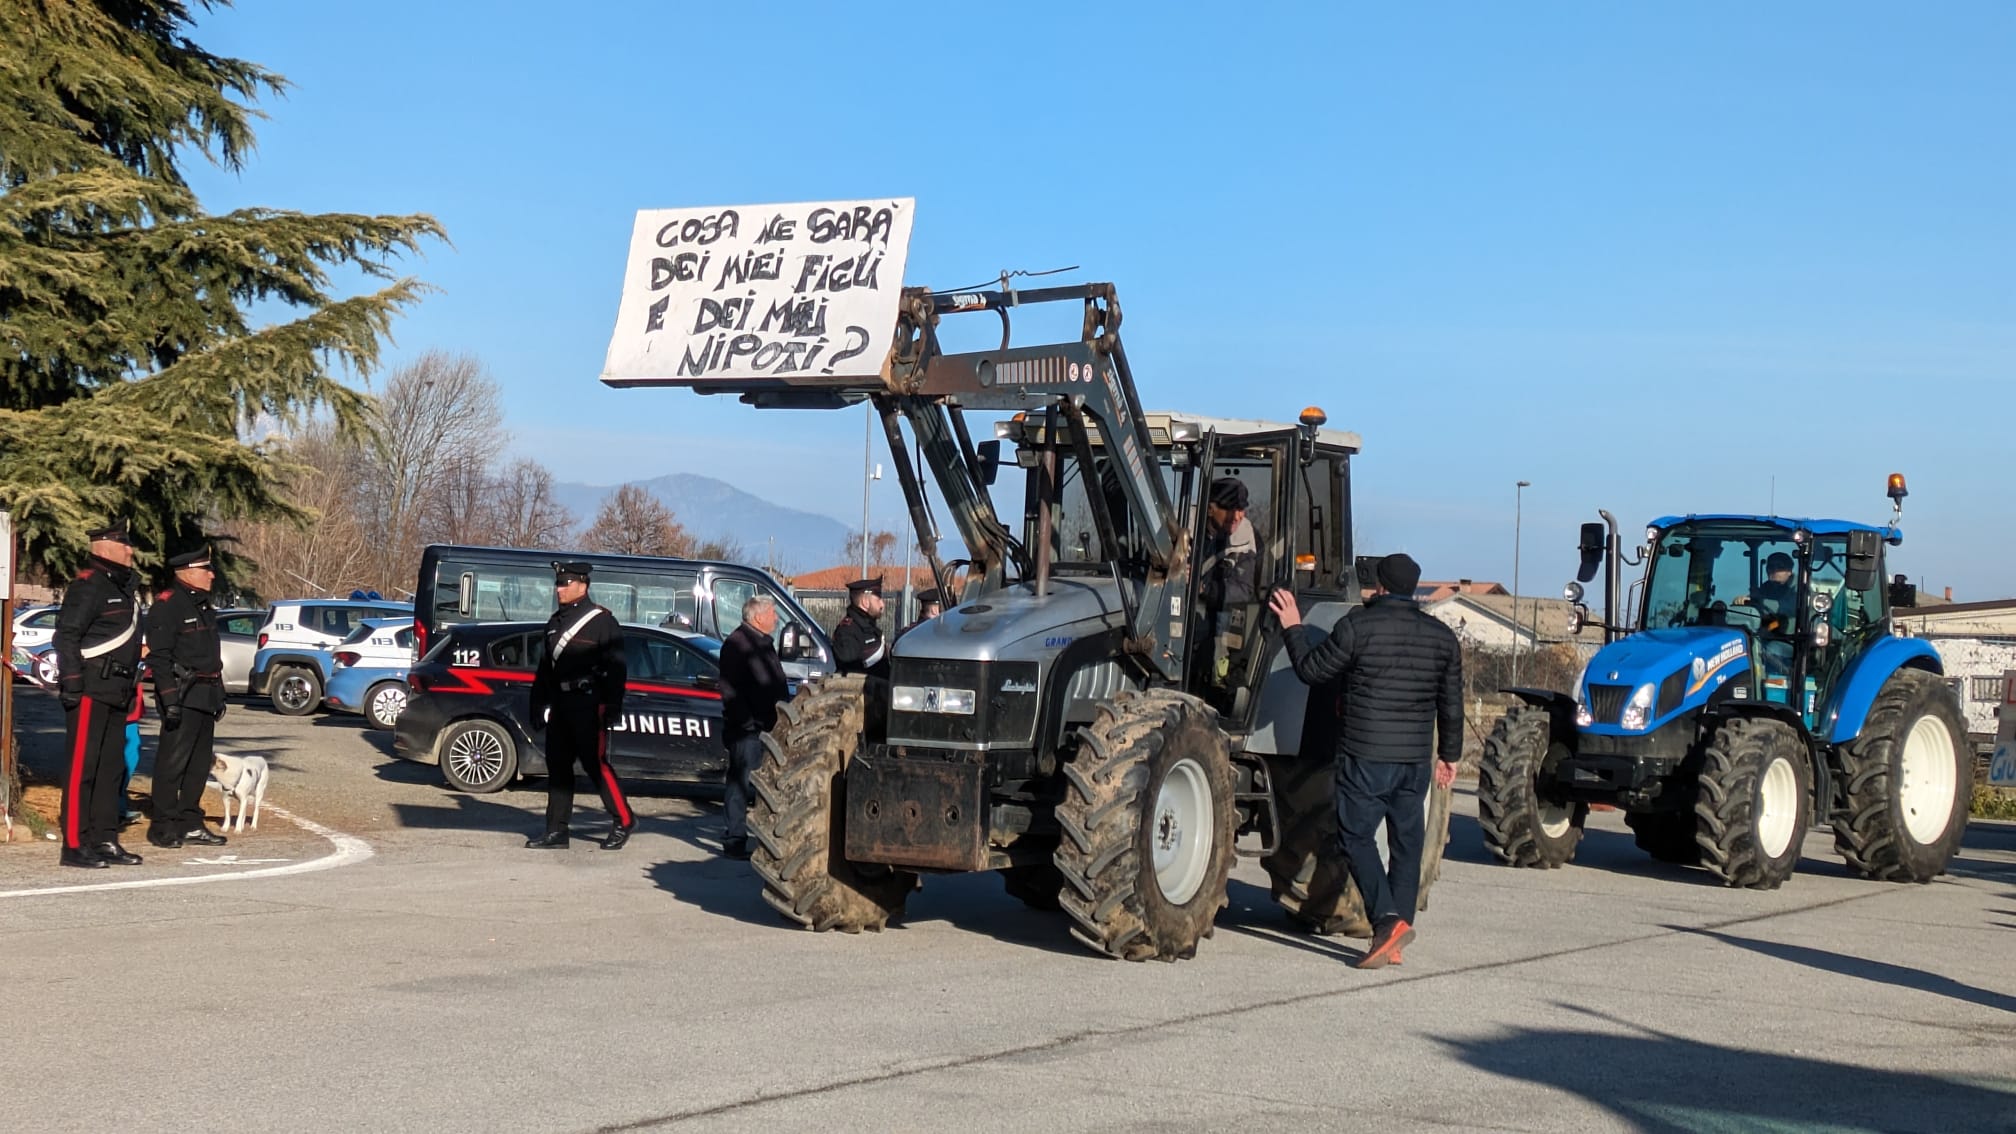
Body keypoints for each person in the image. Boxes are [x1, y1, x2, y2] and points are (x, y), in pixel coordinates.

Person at [1267, 552, 1462, 970]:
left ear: (1380, 586)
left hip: (1367, 756)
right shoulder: (1442, 637)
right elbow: (1451, 704)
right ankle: (1396, 937)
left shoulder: (1357, 627)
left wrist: (1293, 626)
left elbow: (1312, 671)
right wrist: (1450, 755)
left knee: (1355, 837)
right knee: (1406, 846)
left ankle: (1387, 922)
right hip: (1414, 762)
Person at [52, 520, 148, 868]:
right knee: (83, 769)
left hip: (118, 690)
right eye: (125, 544)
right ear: (105, 547)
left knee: (111, 769)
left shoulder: (123, 588)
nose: (130, 550)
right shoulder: (88, 585)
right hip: (91, 689)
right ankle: (75, 844)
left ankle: (105, 838)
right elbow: (66, 636)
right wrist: (72, 683)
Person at [526, 561, 633, 850]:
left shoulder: (602, 622)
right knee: (558, 766)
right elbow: (545, 669)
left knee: (594, 764)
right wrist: (537, 702)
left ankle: (623, 819)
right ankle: (556, 831)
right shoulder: (554, 623)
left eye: (566, 584)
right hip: (561, 704)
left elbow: (617, 668)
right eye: (558, 584)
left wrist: (612, 705)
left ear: (583, 585)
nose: (559, 589)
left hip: (589, 703)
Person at [145, 548, 231, 849]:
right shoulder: (168, 606)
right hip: (183, 695)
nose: (212, 575)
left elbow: (210, 656)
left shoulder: (203, 605)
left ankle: (190, 822)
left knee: (198, 766)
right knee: (173, 764)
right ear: (189, 572)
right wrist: (169, 700)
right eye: (206, 569)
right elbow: (160, 658)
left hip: (206, 694)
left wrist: (219, 694)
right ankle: (163, 825)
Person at [717, 594, 789, 860]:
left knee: (767, 786)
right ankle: (735, 838)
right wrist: (747, 722)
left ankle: (765, 839)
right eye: (773, 613)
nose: (776, 618)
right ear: (758, 617)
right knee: (740, 782)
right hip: (748, 730)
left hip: (769, 728)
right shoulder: (737, 644)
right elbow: (730, 690)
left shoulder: (763, 642)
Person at [1198, 477, 1260, 693]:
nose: (1237, 516)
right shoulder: (1184, 530)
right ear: (1210, 509)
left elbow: (1243, 590)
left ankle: (1220, 681)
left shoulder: (1247, 540)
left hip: (1221, 618)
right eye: (1230, 509)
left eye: (1241, 509)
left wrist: (1203, 589)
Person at [831, 576, 890, 680]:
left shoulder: (868, 628)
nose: (882, 604)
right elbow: (851, 674)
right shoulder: (848, 631)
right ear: (865, 602)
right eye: (878, 599)